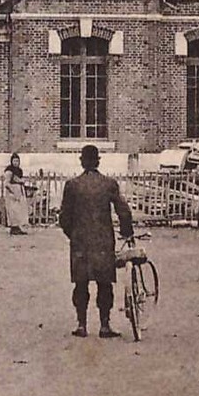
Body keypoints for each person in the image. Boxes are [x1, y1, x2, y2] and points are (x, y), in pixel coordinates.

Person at [58, 144, 135, 338]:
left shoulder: (72, 185)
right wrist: (127, 233)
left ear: (82, 162)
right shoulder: (109, 184)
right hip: (103, 242)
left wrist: (73, 234)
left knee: (81, 283)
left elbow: (64, 218)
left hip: (80, 242)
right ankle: (104, 325)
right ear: (98, 161)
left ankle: (82, 325)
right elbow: (124, 212)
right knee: (104, 283)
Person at [4, 153, 32, 235]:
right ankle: (14, 228)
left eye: (17, 161)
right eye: (14, 161)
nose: (16, 163)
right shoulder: (9, 171)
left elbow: (20, 181)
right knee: (13, 211)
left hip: (19, 192)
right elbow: (7, 183)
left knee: (20, 211)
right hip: (12, 193)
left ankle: (19, 227)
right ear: (11, 161)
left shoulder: (19, 171)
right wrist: (13, 191)